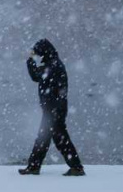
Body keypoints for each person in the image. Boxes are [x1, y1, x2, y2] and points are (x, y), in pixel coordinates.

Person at [19, 38, 85, 176]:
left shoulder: (53, 65)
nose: (38, 55)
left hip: (53, 109)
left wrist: (30, 60)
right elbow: (39, 76)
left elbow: (36, 76)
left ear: (44, 52)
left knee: (51, 139)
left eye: (38, 53)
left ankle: (75, 167)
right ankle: (35, 167)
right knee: (53, 139)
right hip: (55, 108)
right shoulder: (53, 63)